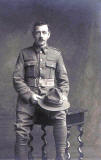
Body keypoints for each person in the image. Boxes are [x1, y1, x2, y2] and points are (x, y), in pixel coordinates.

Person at [13, 21, 70, 160]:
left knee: (61, 116)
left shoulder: (56, 55)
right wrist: (29, 95)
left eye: (44, 32)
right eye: (38, 32)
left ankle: (60, 157)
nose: (41, 36)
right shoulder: (24, 54)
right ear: (33, 34)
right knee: (21, 129)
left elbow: (63, 80)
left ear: (48, 35)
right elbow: (17, 79)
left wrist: (62, 95)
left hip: (49, 100)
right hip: (28, 101)